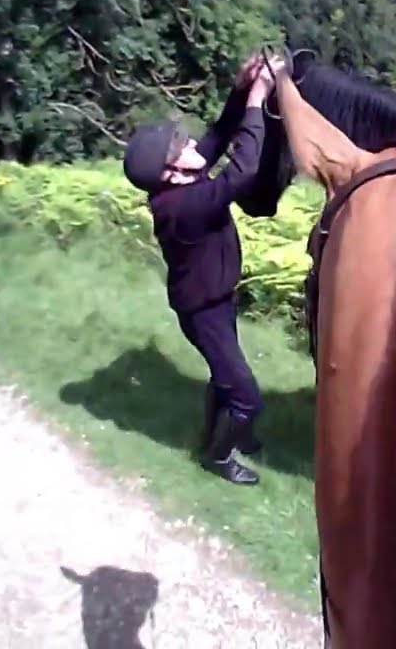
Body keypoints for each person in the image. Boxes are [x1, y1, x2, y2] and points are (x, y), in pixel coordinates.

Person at [122, 51, 285, 487]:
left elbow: (218, 135)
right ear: (171, 173)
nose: (194, 147)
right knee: (248, 397)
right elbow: (243, 171)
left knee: (225, 374)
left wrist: (241, 87)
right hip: (203, 309)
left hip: (214, 295)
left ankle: (228, 430)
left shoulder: (181, 182)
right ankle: (218, 455)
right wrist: (259, 101)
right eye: (182, 148)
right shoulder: (184, 206)